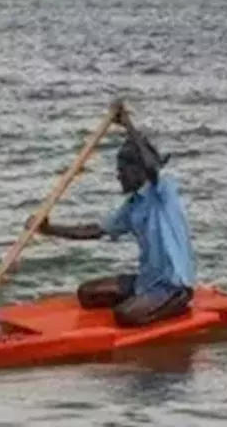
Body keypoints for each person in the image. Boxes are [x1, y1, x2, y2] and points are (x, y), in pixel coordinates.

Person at [29, 102, 196, 327]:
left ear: (137, 170)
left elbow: (150, 165)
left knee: (124, 316)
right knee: (86, 294)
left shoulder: (163, 190)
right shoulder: (132, 207)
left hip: (173, 286)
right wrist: (48, 229)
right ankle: (143, 300)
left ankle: (174, 308)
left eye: (122, 171)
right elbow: (94, 230)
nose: (119, 177)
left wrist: (127, 124)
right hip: (146, 282)